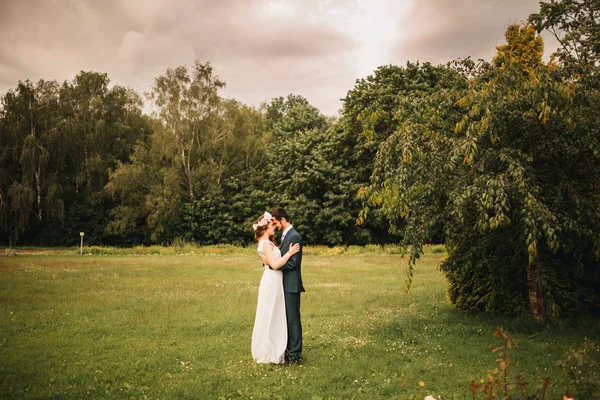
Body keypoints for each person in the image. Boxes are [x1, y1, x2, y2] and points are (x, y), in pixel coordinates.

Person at [251, 211, 300, 364]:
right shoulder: (265, 243)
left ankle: (277, 348)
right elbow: (275, 264)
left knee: (275, 314)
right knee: (271, 314)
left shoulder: (268, 242)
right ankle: (269, 351)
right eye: (272, 225)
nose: (274, 228)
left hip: (275, 280)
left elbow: (271, 262)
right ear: (265, 228)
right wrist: (290, 253)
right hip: (272, 280)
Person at [271, 207, 305, 364]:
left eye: (276, 223)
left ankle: (295, 355)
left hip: (291, 286)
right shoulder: (285, 235)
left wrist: (275, 265)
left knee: (293, 320)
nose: (275, 226)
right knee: (285, 319)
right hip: (283, 285)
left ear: (283, 220)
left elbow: (293, 262)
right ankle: (288, 350)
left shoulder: (295, 236)